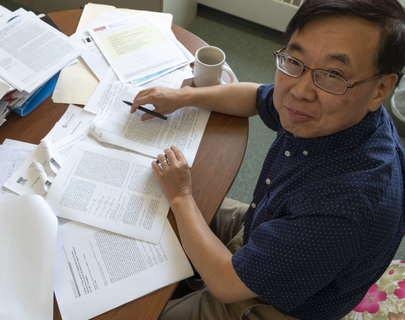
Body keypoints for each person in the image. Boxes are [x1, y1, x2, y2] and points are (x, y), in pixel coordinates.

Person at [129, 0, 405, 319]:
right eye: (295, 60)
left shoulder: (342, 210)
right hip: (270, 221)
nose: (299, 91)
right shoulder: (345, 110)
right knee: (163, 205)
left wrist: (181, 197)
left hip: (276, 302)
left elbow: (225, 284)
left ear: (381, 89)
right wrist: (181, 97)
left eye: (333, 74)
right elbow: (256, 96)